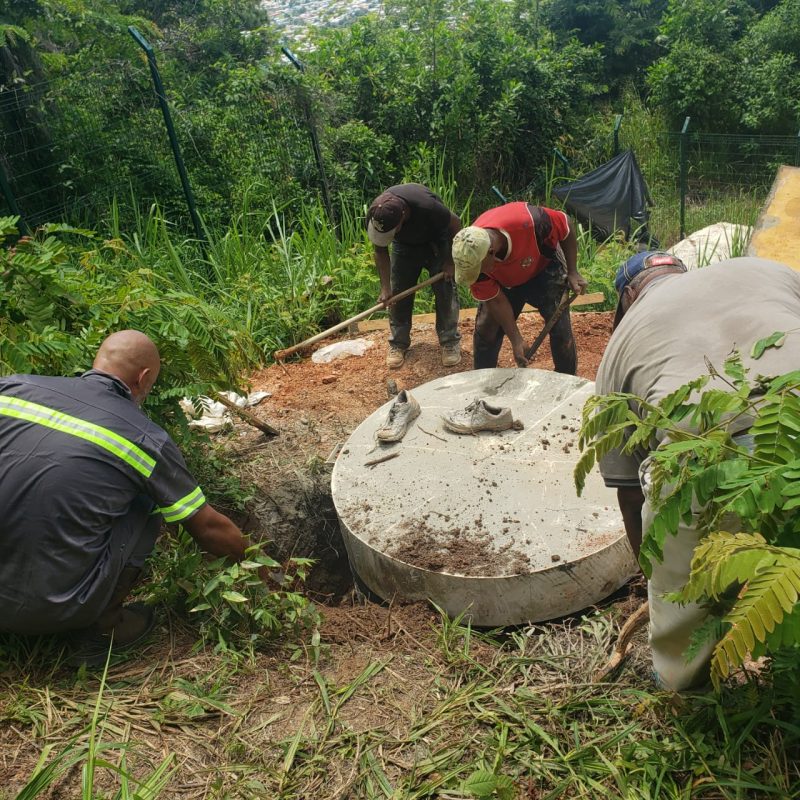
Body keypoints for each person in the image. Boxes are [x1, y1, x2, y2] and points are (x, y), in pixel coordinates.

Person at [596, 252, 800, 690]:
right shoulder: (765, 268)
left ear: (630, 295)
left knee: (684, 604)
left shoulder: (623, 340)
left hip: (705, 458)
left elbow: (630, 493)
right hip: (793, 412)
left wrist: (656, 578)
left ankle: (686, 697)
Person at [0, 330, 254, 662]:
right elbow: (207, 528)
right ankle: (102, 628)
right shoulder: (143, 437)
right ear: (143, 378)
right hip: (55, 608)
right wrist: (261, 569)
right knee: (147, 496)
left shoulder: (12, 387)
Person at [451, 202, 587, 371]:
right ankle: (483, 384)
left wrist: (573, 271)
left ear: (492, 251)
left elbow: (565, 224)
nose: (477, 274)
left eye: (478, 269)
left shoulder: (533, 223)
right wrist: (516, 340)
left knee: (561, 331)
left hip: (544, 268)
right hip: (506, 280)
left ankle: (567, 384)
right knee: (487, 330)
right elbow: (496, 301)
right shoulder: (470, 255)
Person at [366, 183, 462, 368]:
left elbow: (455, 224)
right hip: (405, 246)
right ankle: (398, 343)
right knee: (398, 292)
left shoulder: (427, 207)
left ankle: (449, 342)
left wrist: (450, 261)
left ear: (404, 216)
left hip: (437, 241)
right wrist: (386, 288)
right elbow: (380, 250)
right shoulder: (377, 214)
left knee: (445, 289)